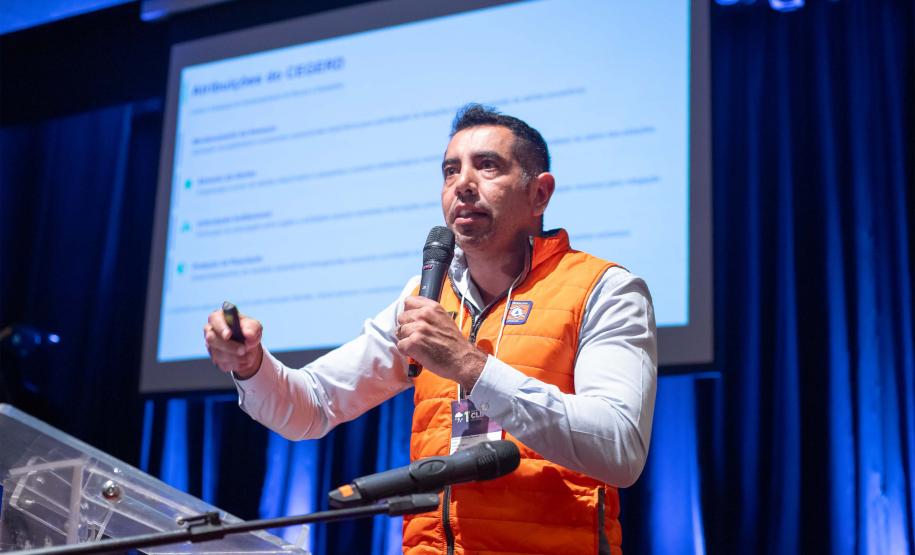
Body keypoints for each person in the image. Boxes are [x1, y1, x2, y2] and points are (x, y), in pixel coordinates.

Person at [204, 104, 657, 555]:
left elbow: (619, 448)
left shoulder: (605, 289)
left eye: (488, 166)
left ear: (539, 194)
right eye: (450, 171)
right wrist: (252, 366)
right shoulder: (427, 294)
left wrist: (470, 366)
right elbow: (313, 406)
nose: (463, 184)